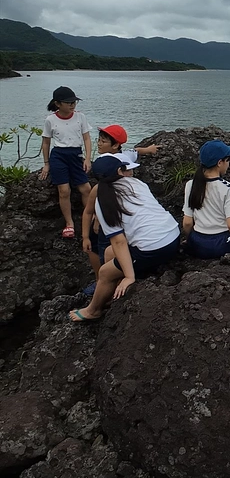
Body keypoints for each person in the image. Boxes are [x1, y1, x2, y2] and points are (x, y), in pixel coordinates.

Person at [69, 155, 180, 322]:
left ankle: (93, 310)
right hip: (174, 235)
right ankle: (113, 294)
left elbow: (119, 241)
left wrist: (130, 276)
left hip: (154, 248)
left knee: (105, 272)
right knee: (109, 252)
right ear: (120, 171)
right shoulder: (137, 183)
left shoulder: (104, 203)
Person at [80, 124, 159, 295]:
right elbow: (91, 207)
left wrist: (150, 149)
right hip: (110, 215)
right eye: (98, 140)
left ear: (115, 145)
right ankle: (102, 281)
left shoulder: (120, 159)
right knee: (104, 250)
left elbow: (135, 151)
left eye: (103, 141)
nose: (99, 144)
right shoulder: (104, 173)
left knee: (110, 248)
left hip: (121, 217)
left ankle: (109, 280)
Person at [182, 140, 230, 260]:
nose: (228, 164)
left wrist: (189, 240)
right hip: (220, 245)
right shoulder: (228, 188)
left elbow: (187, 222)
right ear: (220, 162)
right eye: (228, 160)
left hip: (197, 244)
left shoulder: (190, 185)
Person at [39, 86, 92, 238]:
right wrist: (47, 163)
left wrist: (87, 159)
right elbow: (46, 143)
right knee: (64, 191)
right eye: (68, 102)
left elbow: (87, 138)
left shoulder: (80, 117)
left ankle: (91, 217)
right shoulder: (50, 120)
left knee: (86, 189)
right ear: (58, 104)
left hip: (76, 155)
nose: (72, 105)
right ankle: (69, 223)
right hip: (59, 156)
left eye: (74, 102)